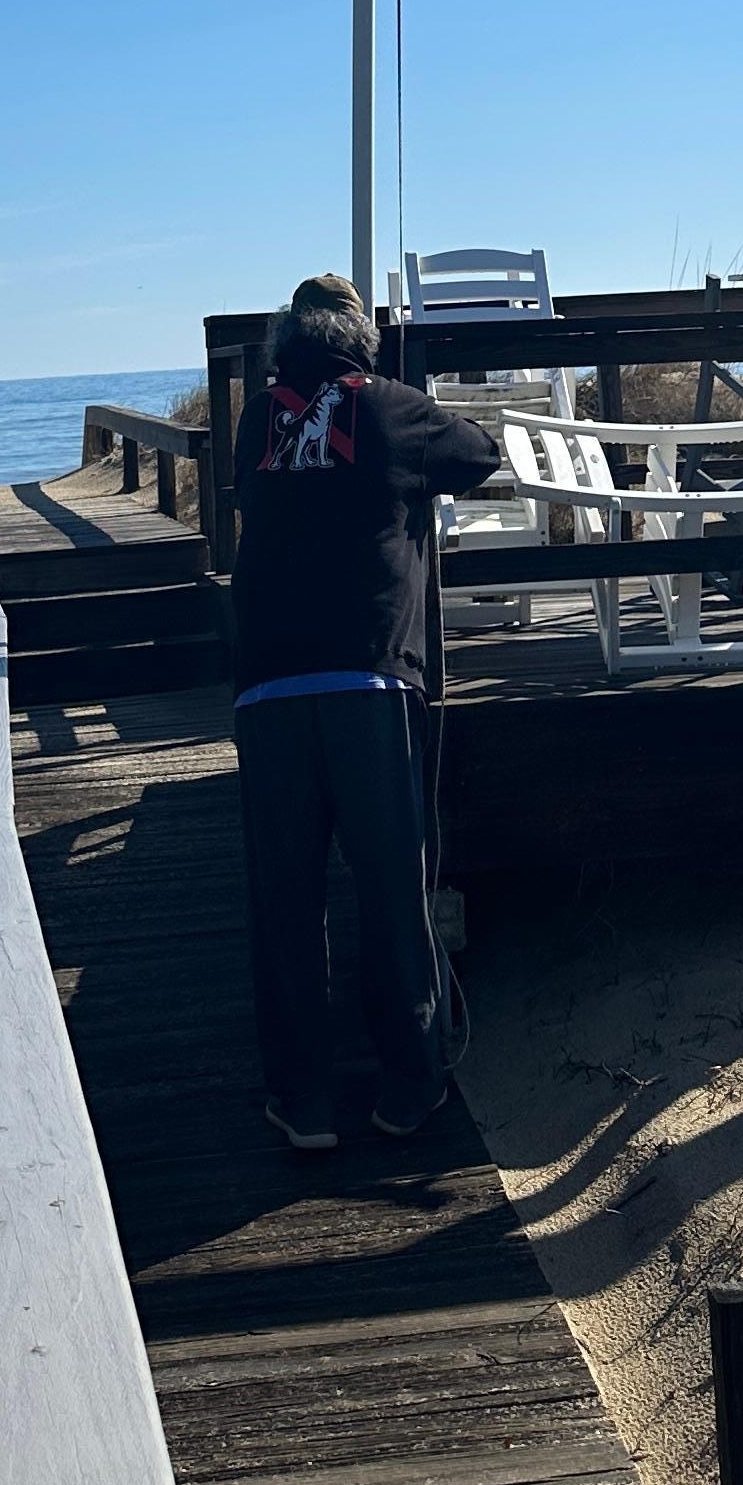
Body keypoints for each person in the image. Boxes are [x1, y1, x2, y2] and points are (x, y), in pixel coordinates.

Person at [229, 273, 499, 1152]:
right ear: (360, 342)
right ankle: (409, 1085)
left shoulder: (256, 421)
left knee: (286, 901)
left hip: (267, 687)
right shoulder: (392, 408)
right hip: (368, 681)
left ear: (285, 344)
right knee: (391, 890)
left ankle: (302, 1099)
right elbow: (481, 453)